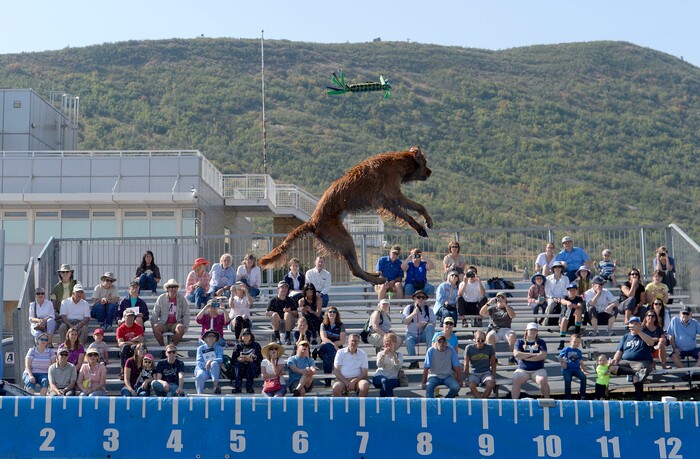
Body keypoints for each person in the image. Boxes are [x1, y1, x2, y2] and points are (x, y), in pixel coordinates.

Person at [608, 316, 655, 401]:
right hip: (626, 362)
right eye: (632, 323)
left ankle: (639, 400)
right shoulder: (625, 337)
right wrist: (614, 360)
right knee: (611, 368)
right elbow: (619, 351)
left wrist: (639, 332)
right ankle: (635, 372)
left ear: (640, 325)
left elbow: (651, 343)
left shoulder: (644, 334)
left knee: (637, 377)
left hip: (641, 362)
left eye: (636, 324)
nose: (633, 325)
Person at [511, 322, 550, 399]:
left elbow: (542, 355)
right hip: (523, 370)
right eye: (531, 330)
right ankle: (514, 401)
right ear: (526, 331)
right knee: (516, 379)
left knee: (542, 380)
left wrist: (526, 357)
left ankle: (547, 400)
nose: (533, 332)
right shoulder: (520, 341)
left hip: (538, 369)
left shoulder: (541, 342)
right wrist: (534, 355)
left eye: (535, 330)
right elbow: (516, 354)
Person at [480, 292, 517, 364]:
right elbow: (482, 313)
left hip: (506, 329)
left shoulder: (509, 308)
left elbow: (512, 316)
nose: (500, 299)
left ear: (505, 299)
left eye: (502, 297)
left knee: (512, 335)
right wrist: (488, 303)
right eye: (498, 297)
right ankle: (493, 358)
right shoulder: (492, 308)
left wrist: (505, 304)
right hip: (495, 329)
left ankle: (511, 357)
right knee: (489, 336)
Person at [402, 290, 437, 367]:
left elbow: (434, 324)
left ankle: (429, 358)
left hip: (424, 334)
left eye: (423, 297)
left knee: (430, 327)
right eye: (418, 297)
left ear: (425, 299)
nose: (421, 299)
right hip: (411, 334)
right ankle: (414, 362)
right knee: (408, 340)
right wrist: (414, 313)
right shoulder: (409, 308)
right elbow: (404, 321)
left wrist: (425, 324)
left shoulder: (429, 309)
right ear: (414, 298)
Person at [421, 334, 462, 398]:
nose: (441, 343)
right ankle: (430, 405)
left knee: (456, 387)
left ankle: (445, 401)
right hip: (434, 375)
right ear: (436, 343)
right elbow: (426, 367)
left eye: (443, 341)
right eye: (439, 341)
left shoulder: (451, 350)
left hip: (448, 376)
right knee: (429, 386)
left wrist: (460, 380)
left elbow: (457, 366)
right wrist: (424, 382)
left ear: (446, 343)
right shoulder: (430, 350)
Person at [152, 279, 189, 347]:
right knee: (156, 327)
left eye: (175, 287)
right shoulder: (161, 298)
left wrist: (185, 327)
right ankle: (163, 348)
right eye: (171, 287)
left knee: (180, 328)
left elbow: (186, 313)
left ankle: (173, 348)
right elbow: (155, 312)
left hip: (176, 323)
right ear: (167, 288)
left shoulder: (181, 298)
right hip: (164, 323)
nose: (173, 289)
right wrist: (154, 325)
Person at [317, 306, 346, 386]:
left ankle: (328, 381)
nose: (332, 313)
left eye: (334, 312)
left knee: (327, 357)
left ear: (337, 314)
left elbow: (342, 340)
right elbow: (324, 338)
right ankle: (331, 379)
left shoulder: (341, 325)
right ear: (327, 314)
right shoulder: (323, 325)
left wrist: (333, 346)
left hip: (333, 351)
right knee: (328, 348)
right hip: (325, 348)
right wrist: (333, 345)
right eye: (330, 312)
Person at [463, 330, 497, 399]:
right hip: (474, 373)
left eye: (482, 340)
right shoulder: (469, 348)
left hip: (486, 372)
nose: (480, 342)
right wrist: (466, 378)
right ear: (475, 339)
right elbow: (466, 364)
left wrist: (493, 376)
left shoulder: (490, 348)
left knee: (490, 384)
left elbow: (493, 363)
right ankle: (481, 401)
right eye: (478, 340)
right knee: (472, 385)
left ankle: (483, 400)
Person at [667, 306, 700, 371]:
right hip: (680, 349)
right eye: (683, 313)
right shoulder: (674, 320)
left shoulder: (695, 322)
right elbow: (671, 336)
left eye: (687, 314)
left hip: (693, 349)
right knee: (674, 356)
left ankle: (693, 371)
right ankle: (686, 372)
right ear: (680, 313)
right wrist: (675, 348)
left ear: (691, 314)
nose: (685, 315)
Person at [230, 329, 262, 394]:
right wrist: (239, 359)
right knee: (238, 365)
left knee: (250, 365)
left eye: (248, 334)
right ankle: (237, 387)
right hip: (240, 368)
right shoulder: (238, 346)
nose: (246, 336)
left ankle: (249, 387)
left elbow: (260, 358)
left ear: (251, 336)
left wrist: (253, 359)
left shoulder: (256, 345)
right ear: (241, 337)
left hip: (252, 368)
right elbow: (233, 360)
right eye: (244, 335)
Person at [265, 280, 297, 345]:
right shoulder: (273, 300)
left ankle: (287, 337)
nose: (284, 289)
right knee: (275, 314)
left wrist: (289, 311)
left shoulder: (290, 300)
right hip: (277, 323)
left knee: (287, 314)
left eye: (286, 288)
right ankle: (277, 338)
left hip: (289, 322)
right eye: (282, 287)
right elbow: (266, 313)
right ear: (278, 289)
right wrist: (271, 313)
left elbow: (296, 314)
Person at [116, 309, 145, 378]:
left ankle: (137, 370)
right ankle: (124, 371)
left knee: (135, 348)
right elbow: (120, 343)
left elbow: (141, 339)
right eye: (128, 316)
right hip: (126, 348)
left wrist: (127, 342)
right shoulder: (120, 329)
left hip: (135, 347)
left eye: (132, 316)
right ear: (124, 317)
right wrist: (134, 340)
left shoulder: (138, 327)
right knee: (125, 348)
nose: (130, 318)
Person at [373, 332, 404, 397]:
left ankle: (381, 404)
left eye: (391, 341)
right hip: (379, 377)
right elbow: (379, 365)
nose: (389, 343)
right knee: (384, 381)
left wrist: (393, 355)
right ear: (384, 343)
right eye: (387, 341)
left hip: (393, 379)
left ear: (395, 343)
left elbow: (398, 366)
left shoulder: (399, 355)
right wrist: (384, 354)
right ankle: (392, 400)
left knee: (384, 388)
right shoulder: (380, 354)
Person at [558, 334, 587, 399]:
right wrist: (562, 362)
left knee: (583, 377)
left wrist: (583, 369)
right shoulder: (566, 349)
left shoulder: (579, 351)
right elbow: (559, 358)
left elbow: (581, 361)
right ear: (570, 341)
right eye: (574, 342)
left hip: (576, 369)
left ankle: (583, 395)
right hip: (567, 369)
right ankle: (568, 397)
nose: (576, 344)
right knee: (568, 380)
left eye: (578, 342)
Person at [194, 330, 224, 394]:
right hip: (203, 369)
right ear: (205, 338)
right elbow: (199, 362)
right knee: (199, 375)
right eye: (209, 336)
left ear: (216, 339)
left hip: (214, 369)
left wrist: (210, 361)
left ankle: (215, 387)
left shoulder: (219, 348)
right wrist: (207, 365)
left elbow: (221, 359)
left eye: (213, 336)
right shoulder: (200, 348)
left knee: (214, 363)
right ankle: (199, 394)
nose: (211, 337)